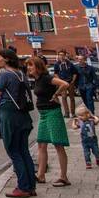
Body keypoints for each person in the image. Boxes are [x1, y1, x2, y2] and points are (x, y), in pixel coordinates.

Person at [0, 47, 38, 198]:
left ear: (6, 59)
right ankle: (31, 185)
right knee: (24, 150)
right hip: (23, 115)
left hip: (10, 115)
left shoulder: (5, 74)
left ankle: (23, 187)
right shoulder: (21, 74)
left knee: (14, 151)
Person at [28, 54, 71, 187]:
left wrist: (56, 94)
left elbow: (65, 84)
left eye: (31, 65)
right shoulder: (37, 80)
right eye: (28, 66)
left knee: (58, 144)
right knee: (41, 144)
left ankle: (64, 177)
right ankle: (41, 175)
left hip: (53, 113)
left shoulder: (47, 78)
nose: (28, 68)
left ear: (38, 67)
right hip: (44, 114)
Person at [53, 51, 79, 120]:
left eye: (62, 55)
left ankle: (73, 113)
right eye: (59, 55)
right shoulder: (56, 64)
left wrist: (73, 81)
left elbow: (75, 73)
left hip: (70, 83)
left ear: (65, 56)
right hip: (62, 84)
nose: (61, 56)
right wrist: (60, 81)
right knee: (64, 97)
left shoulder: (70, 63)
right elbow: (55, 73)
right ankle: (66, 113)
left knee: (72, 98)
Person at [75, 105, 99, 170]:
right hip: (85, 141)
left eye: (81, 115)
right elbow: (74, 127)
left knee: (96, 151)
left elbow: (98, 120)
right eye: (79, 116)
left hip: (93, 140)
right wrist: (74, 121)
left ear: (87, 115)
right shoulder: (80, 123)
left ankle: (98, 158)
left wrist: (94, 116)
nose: (80, 117)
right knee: (86, 152)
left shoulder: (91, 121)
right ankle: (88, 162)